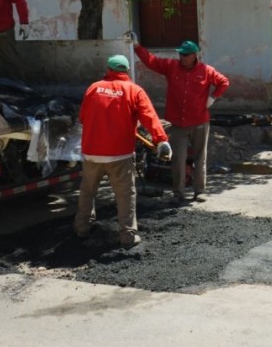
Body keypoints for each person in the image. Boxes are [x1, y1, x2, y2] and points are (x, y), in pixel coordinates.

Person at [75, 55, 172, 249]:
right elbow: (150, 117)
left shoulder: (93, 88)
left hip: (92, 153)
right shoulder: (134, 90)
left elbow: (83, 117)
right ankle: (128, 235)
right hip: (120, 154)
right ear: (126, 71)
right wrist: (161, 140)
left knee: (87, 192)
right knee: (125, 195)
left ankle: (82, 227)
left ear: (108, 69)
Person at [133, 39, 229, 204]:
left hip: (199, 121)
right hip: (178, 122)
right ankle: (178, 193)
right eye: (180, 54)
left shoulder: (206, 71)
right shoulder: (171, 66)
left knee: (200, 158)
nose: (181, 57)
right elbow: (151, 61)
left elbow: (224, 82)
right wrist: (136, 46)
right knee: (178, 158)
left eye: (185, 54)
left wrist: (213, 98)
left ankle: (199, 191)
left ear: (194, 55)